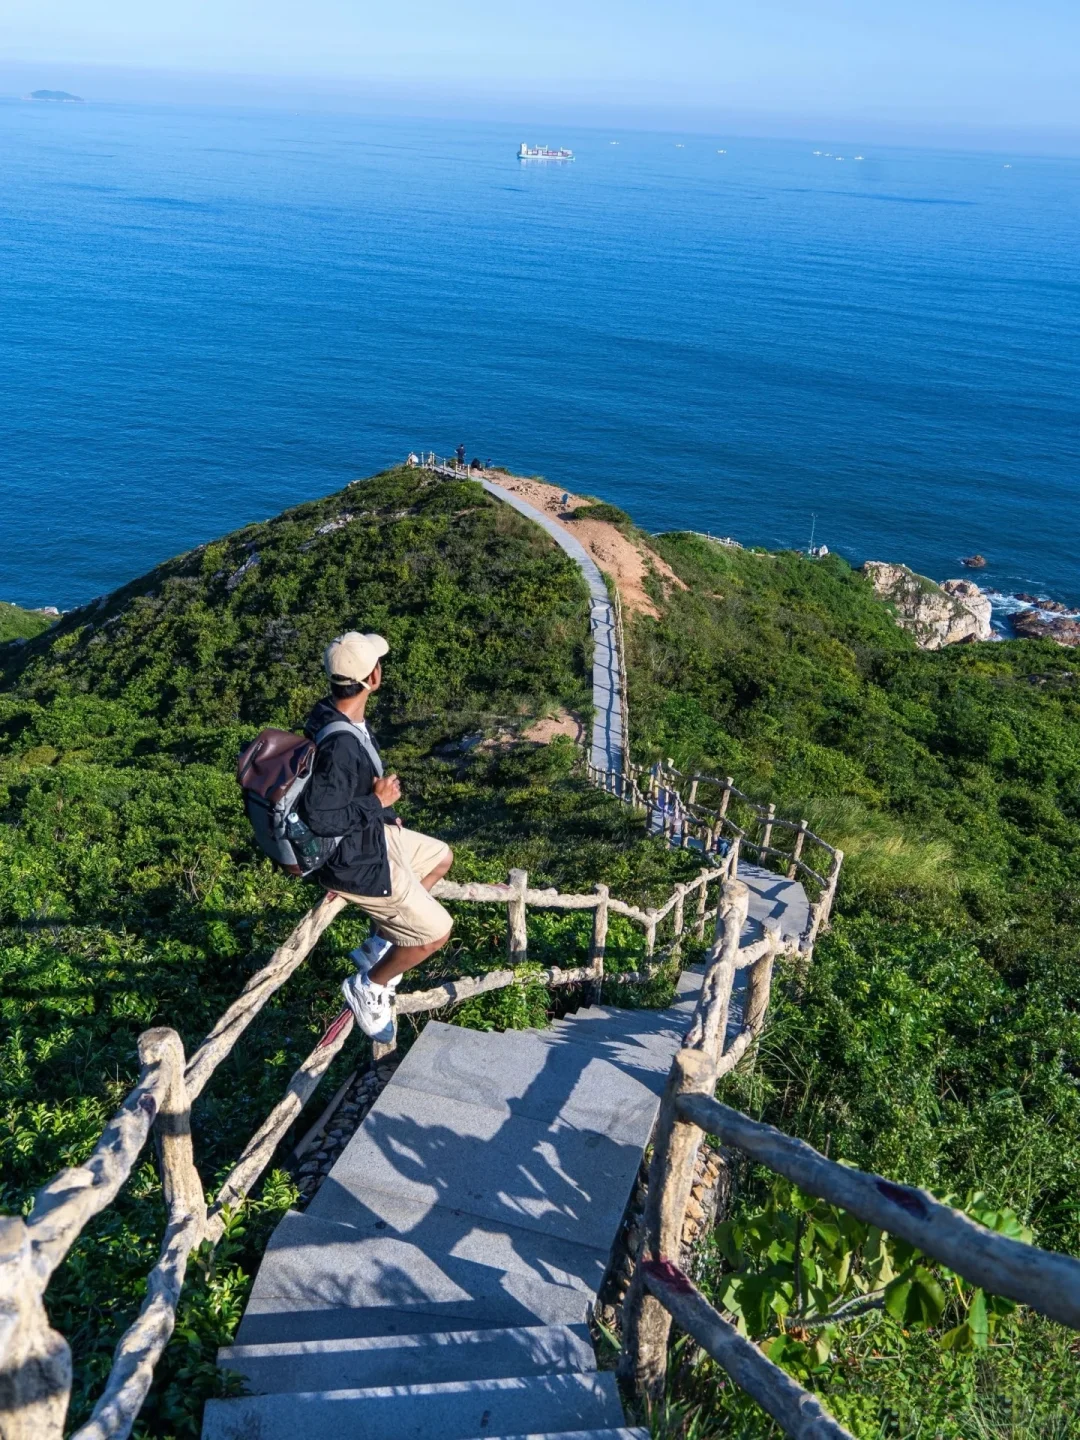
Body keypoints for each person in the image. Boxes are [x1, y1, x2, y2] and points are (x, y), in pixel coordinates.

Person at [299, 631, 454, 1042]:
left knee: (440, 856)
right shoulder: (342, 745)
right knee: (436, 933)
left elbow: (348, 791)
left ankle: (383, 939)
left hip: (369, 832)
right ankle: (370, 984)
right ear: (374, 677)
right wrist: (376, 803)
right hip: (356, 861)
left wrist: (384, 811)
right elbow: (319, 818)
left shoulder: (331, 716)